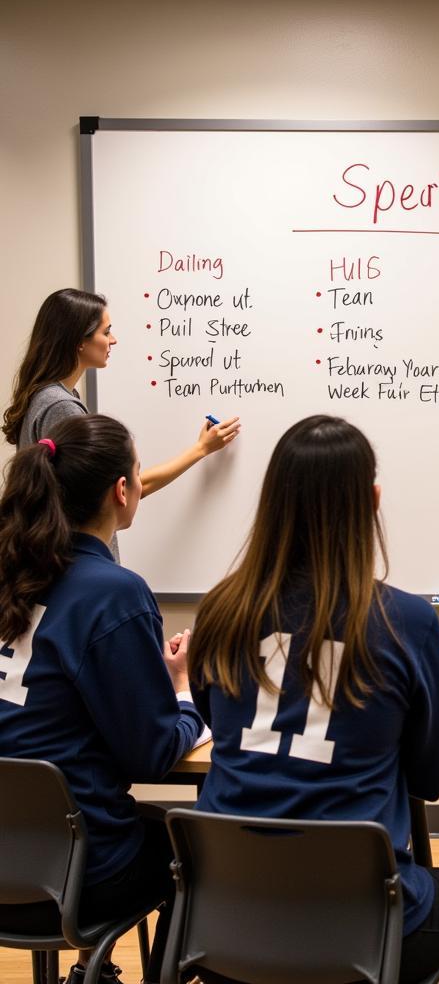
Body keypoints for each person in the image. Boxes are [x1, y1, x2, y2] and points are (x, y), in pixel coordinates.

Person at [188, 414, 439, 984]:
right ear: (373, 499)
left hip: (225, 919)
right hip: (364, 928)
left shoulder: (220, 612)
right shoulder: (405, 621)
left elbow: (217, 725)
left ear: (271, 502)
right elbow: (429, 779)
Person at [0, 414, 204, 984]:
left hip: (11, 851)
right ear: (122, 490)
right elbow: (151, 754)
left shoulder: (10, 572)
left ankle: (93, 970)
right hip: (76, 871)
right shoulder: (114, 592)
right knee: (189, 846)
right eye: (140, 474)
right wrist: (183, 692)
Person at [3, 288, 240, 559]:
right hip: (77, 565)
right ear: (79, 341)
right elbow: (122, 489)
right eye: (106, 332)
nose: (113, 340)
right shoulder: (61, 407)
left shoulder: (49, 397)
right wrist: (200, 450)